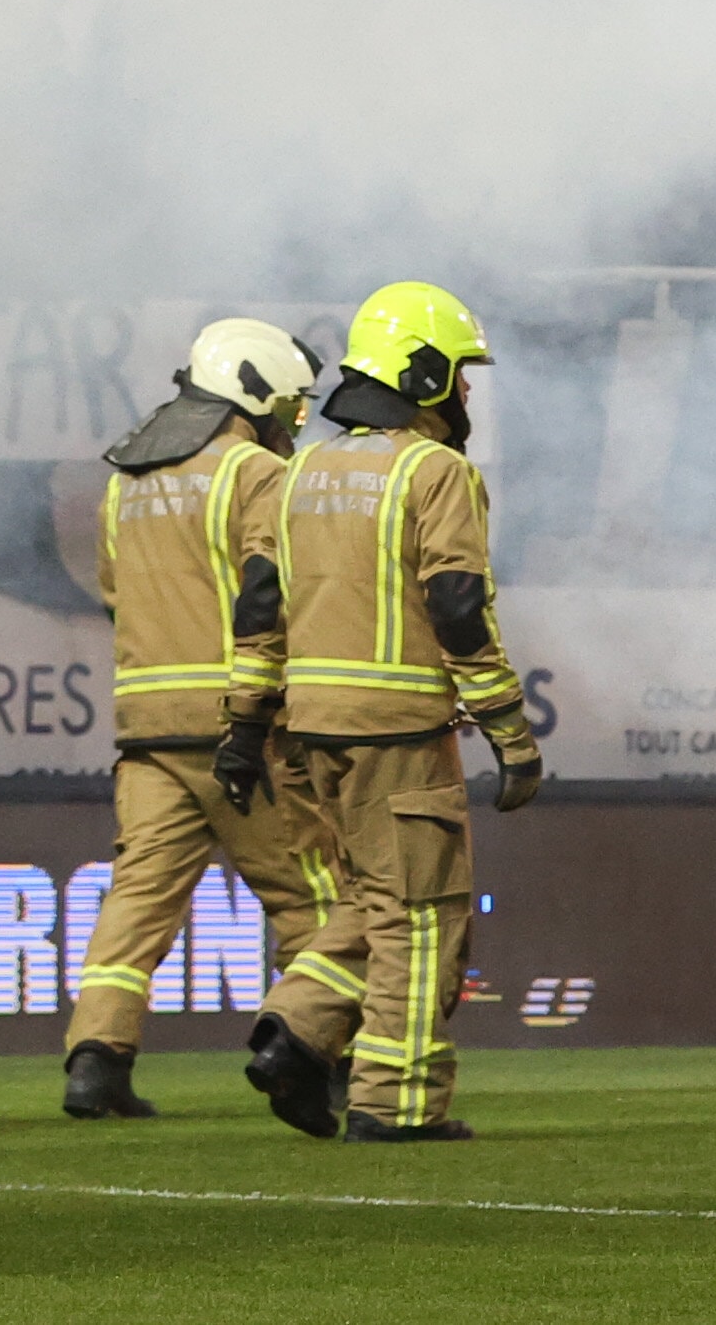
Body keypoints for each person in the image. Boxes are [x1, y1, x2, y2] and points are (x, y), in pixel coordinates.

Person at [248, 285, 542, 1144]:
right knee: (423, 917)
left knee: (377, 897)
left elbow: (258, 605)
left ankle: (295, 1029)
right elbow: (457, 608)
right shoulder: (435, 471)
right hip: (400, 730)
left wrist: (244, 722)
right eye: (459, 378)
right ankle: (395, 1102)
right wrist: (510, 734)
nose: (465, 397)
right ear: (422, 373)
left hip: (310, 731)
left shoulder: (299, 469)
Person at [61, 318, 329, 1123]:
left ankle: (94, 1062)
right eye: (287, 407)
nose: (290, 425)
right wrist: (258, 712)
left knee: (136, 902)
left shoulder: (125, 484)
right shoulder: (254, 473)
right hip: (238, 727)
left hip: (146, 731)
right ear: (254, 396)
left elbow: (115, 596)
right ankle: (305, 1054)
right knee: (313, 900)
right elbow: (267, 591)